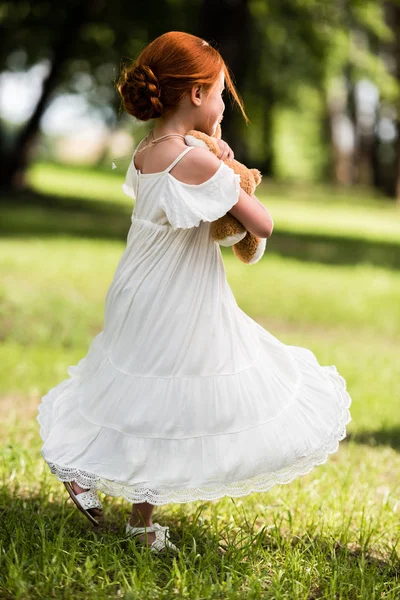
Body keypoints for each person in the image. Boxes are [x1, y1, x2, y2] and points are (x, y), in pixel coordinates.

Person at [37, 31, 352, 555]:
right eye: (222, 93)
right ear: (199, 96)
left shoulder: (148, 150)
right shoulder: (195, 161)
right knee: (170, 397)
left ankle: (134, 516)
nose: (226, 103)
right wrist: (227, 164)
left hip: (142, 288)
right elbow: (262, 223)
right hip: (176, 300)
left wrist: (211, 150)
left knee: (149, 398)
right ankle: (84, 469)